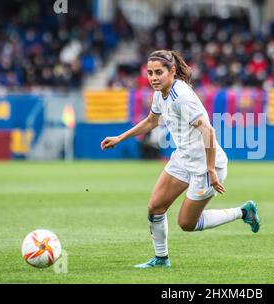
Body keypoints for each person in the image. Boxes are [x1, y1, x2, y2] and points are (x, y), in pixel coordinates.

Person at [100, 50, 260, 268]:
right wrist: (120, 137)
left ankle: (243, 212)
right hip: (183, 159)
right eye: (149, 73)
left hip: (206, 165)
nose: (153, 78)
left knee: (187, 223)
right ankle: (161, 259)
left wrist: (211, 170)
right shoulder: (160, 93)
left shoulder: (181, 97)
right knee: (155, 207)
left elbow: (209, 132)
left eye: (158, 72)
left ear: (172, 71)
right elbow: (151, 121)